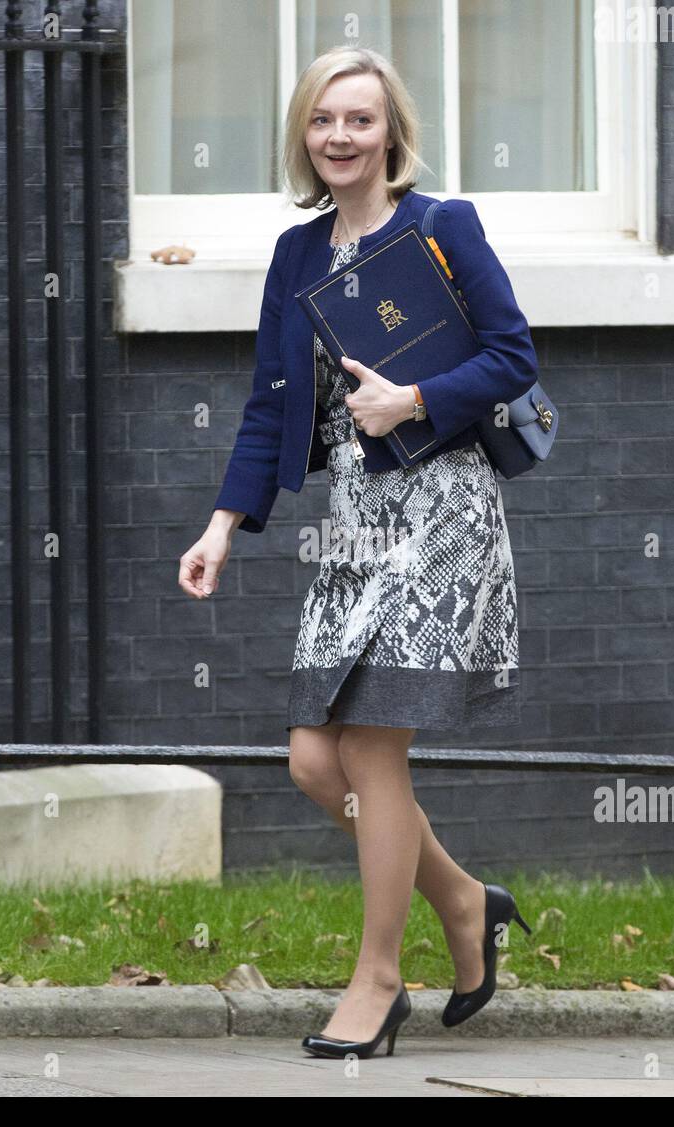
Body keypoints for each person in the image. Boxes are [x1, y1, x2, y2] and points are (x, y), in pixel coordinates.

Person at [178, 46, 534, 1059]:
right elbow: (268, 404)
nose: (340, 135)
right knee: (311, 758)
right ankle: (464, 901)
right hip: (349, 521)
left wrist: (415, 398)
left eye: (360, 120)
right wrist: (219, 525)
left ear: (390, 134)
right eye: (324, 119)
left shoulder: (439, 227)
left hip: (440, 511)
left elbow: (513, 354)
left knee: (373, 747)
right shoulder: (297, 255)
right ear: (305, 132)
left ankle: (378, 979)